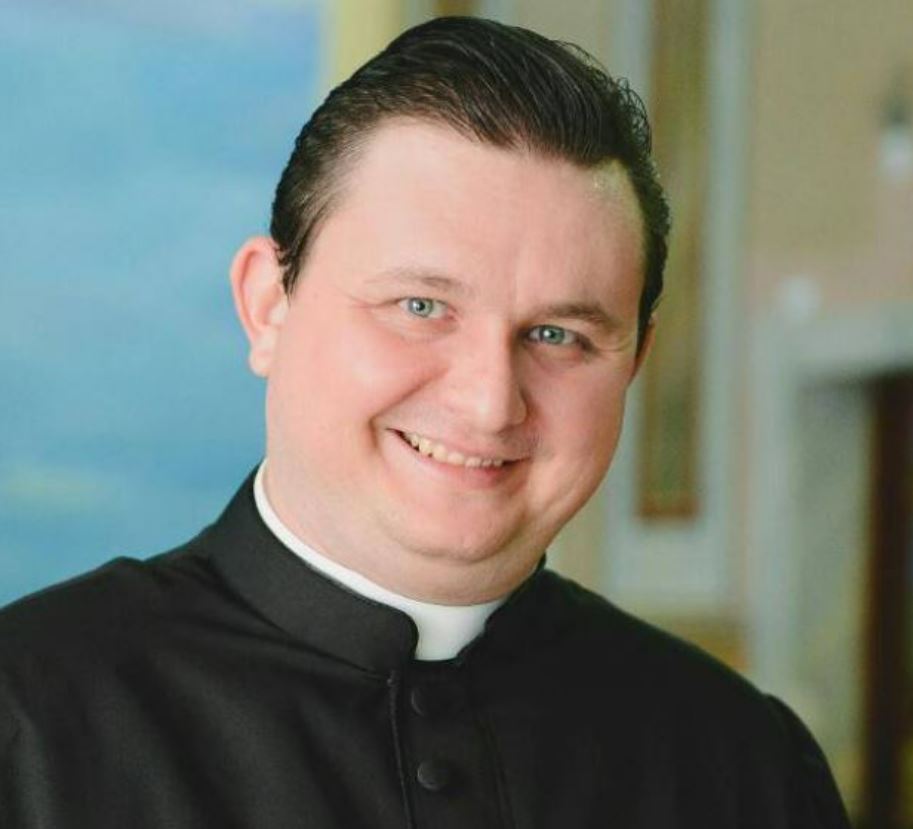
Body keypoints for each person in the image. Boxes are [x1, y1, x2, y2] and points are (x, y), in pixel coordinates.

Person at [0, 16, 849, 829]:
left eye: (558, 335)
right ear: (267, 306)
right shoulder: (24, 720)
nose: (489, 402)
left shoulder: (746, 763)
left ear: (634, 361)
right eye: (420, 306)